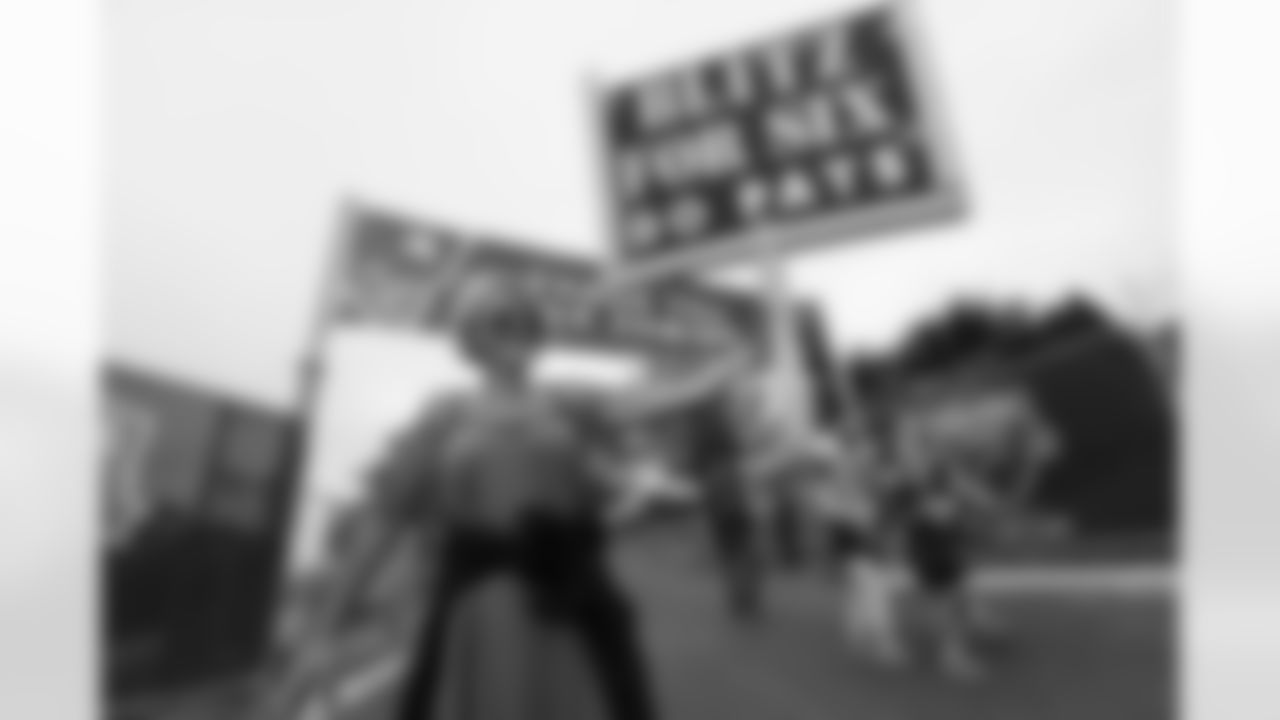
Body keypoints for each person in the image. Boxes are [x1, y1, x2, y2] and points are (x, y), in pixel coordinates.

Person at [278, 276, 749, 720]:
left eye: (527, 320)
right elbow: (384, 520)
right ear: (472, 339)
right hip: (480, 609)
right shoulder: (444, 414)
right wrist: (324, 631)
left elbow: (656, 399)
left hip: (569, 600)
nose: (518, 330)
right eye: (501, 321)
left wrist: (725, 364)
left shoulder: (566, 400)